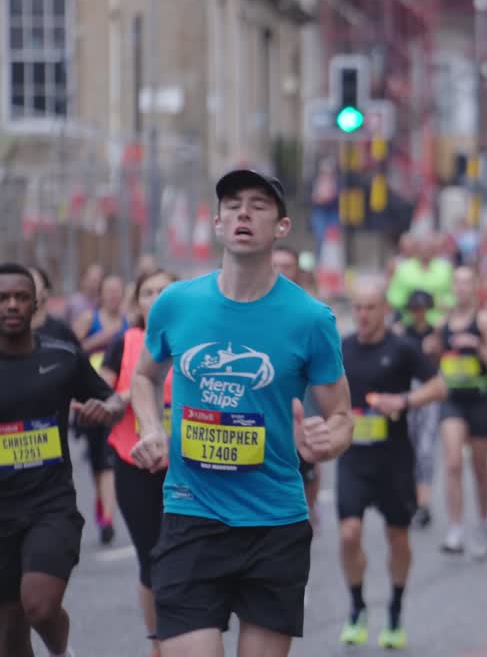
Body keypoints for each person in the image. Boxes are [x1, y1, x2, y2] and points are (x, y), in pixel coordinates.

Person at [126, 168, 352, 657]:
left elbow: (342, 417)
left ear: (281, 228)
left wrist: (325, 441)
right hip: (192, 512)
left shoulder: (311, 319)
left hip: (275, 522)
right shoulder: (176, 303)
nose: (243, 212)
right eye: (232, 204)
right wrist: (150, 427)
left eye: (258, 204)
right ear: (217, 222)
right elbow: (143, 376)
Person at [0, 262, 123, 657]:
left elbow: (111, 398)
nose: (12, 304)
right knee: (12, 625)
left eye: (20, 297)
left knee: (40, 605)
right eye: (1, 298)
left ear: (35, 304)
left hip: (51, 503)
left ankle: (61, 650)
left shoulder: (63, 356)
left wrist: (108, 409)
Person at [336, 279, 447, 649]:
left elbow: (438, 387)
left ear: (385, 310)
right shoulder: (343, 348)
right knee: (349, 534)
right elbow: (324, 391)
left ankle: (396, 611)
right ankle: (356, 607)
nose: (364, 315)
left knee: (397, 538)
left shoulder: (402, 349)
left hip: (394, 459)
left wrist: (403, 401)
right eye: (358, 308)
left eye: (371, 307)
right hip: (354, 458)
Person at [99, 269, 176, 657]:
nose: (157, 298)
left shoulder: (194, 341)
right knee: (151, 557)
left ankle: (186, 633)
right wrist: (126, 395)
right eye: (148, 292)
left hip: (188, 465)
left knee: (182, 556)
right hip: (134, 462)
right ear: (137, 302)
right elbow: (101, 397)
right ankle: (157, 642)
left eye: (165, 290)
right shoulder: (124, 342)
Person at [435, 267, 487, 558]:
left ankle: (484, 522)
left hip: (480, 400)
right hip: (453, 400)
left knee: (479, 466)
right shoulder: (444, 323)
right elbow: (434, 357)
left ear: (476, 287)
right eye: (458, 283)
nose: (462, 288)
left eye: (467, 283)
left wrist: (477, 346)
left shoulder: (484, 322)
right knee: (452, 462)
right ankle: (455, 528)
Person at [68, 271, 128, 545]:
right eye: (110, 291)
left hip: (119, 398)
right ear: (101, 295)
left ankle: (107, 520)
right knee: (96, 461)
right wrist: (103, 337)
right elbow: (71, 351)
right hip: (91, 397)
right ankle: (103, 507)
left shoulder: (129, 321)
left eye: (119, 291)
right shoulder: (88, 319)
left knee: (108, 461)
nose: (115, 296)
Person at [273, 245, 326, 530]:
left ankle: (309, 508)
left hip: (305, 394)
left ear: (297, 272)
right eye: (276, 265)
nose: (281, 271)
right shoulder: (256, 304)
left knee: (307, 460)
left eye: (287, 266)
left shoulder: (310, 309)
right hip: (269, 395)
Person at [393, 290, 440, 529]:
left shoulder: (436, 333)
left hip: (428, 391)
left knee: (425, 450)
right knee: (407, 445)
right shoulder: (401, 334)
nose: (417, 313)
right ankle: (410, 497)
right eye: (414, 309)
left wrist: (436, 350)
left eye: (421, 309)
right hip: (407, 391)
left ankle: (424, 502)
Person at [386, 233, 455, 325]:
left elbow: (453, 296)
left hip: (438, 322)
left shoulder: (445, 268)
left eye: (428, 246)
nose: (425, 249)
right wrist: (410, 302)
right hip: (409, 322)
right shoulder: (403, 268)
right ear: (416, 248)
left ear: (434, 249)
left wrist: (439, 302)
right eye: (422, 246)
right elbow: (393, 296)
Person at [28, 267, 82, 349]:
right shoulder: (10, 330)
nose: (26, 289)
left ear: (46, 292)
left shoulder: (61, 330)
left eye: (32, 284)